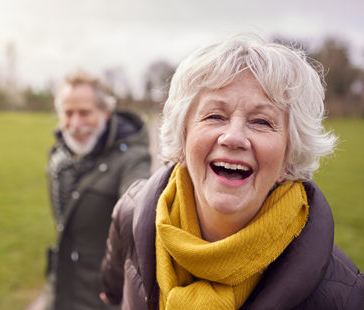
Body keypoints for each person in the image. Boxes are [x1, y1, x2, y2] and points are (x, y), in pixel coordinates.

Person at [99, 33, 364, 309]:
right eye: (215, 116)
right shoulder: (129, 213)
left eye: (261, 121)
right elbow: (112, 289)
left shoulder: (346, 297)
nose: (233, 138)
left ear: (290, 156)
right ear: (183, 137)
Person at [45, 70, 151, 310]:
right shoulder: (59, 157)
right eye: (68, 113)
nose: (75, 124)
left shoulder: (133, 158)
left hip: (101, 300)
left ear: (105, 112)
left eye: (84, 112)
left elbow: (138, 204)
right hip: (60, 293)